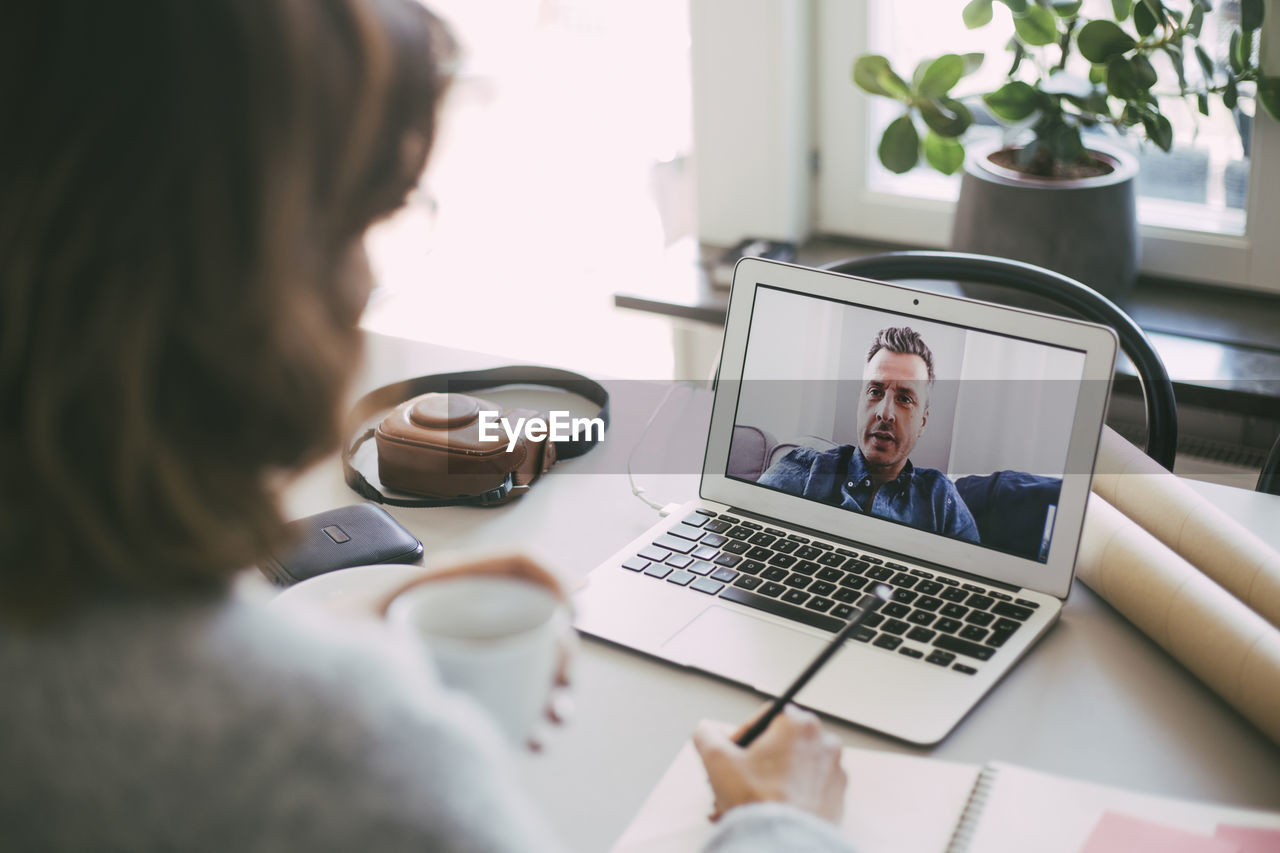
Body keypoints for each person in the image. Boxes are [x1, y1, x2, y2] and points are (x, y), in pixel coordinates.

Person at [0, 2, 854, 850]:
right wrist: (781, 819)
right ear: (226, 272)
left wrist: (322, 643)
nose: (364, 277)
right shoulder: (349, 755)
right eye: (351, 222)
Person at [759, 327, 980, 543]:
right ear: (859, 403)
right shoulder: (805, 469)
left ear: (922, 422)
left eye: (904, 399)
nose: (885, 413)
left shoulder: (941, 500)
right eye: (875, 392)